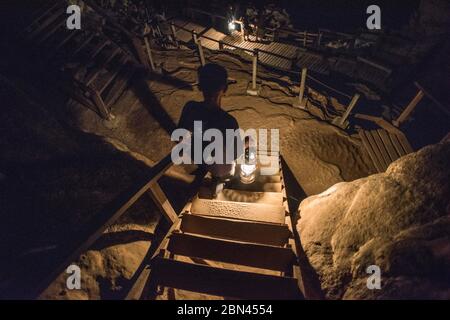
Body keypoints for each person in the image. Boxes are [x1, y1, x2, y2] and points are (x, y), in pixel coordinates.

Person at [177, 63, 246, 194]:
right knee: (230, 164)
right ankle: (219, 179)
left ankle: (206, 172)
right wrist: (245, 143)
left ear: (200, 87)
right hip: (217, 166)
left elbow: (179, 138)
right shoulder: (228, 122)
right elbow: (236, 153)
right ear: (225, 89)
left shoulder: (190, 108)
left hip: (196, 156)